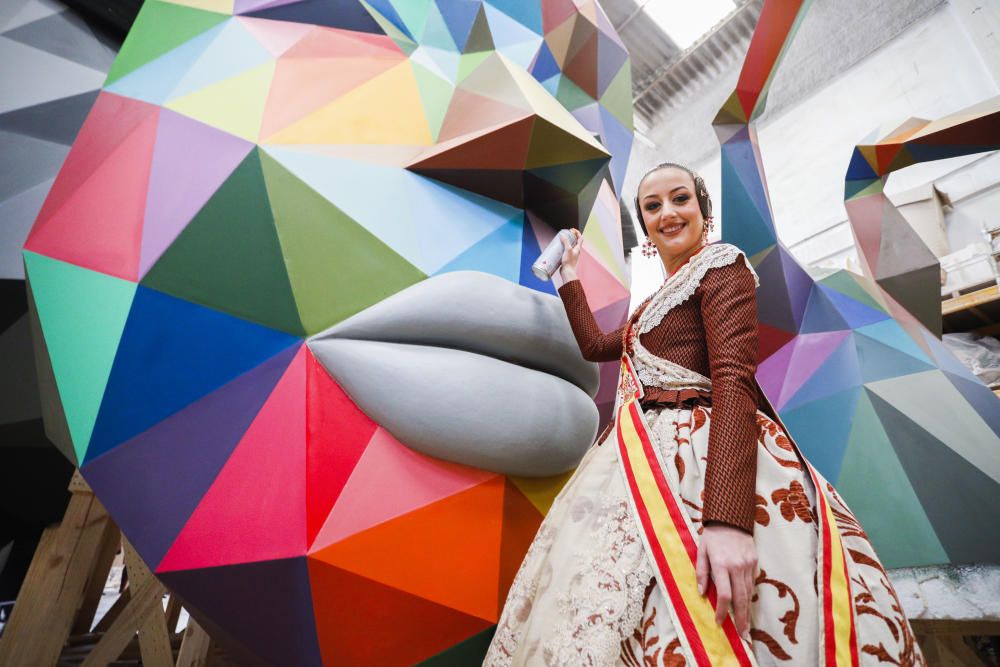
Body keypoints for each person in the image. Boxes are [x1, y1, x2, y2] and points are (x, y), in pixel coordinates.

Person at [484, 163, 924, 666]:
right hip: (641, 457)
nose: (668, 213)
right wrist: (569, 274)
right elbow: (596, 345)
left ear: (702, 209)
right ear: (646, 228)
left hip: (705, 461)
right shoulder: (655, 303)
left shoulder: (722, 265)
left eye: (680, 199)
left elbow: (733, 379)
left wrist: (728, 521)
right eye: (653, 206)